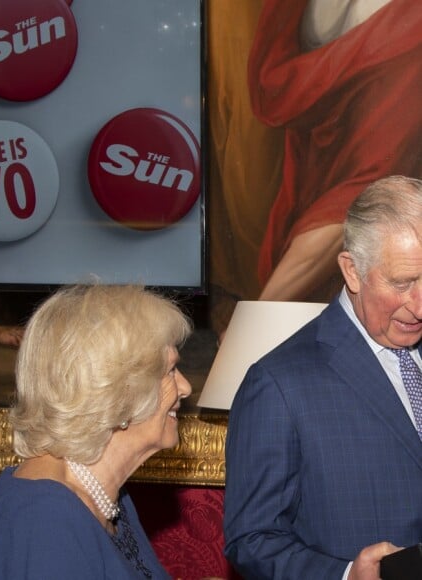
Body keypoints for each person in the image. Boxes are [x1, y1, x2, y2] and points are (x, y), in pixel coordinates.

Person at [224, 175, 422, 579]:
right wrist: (345, 575)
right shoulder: (278, 384)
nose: (420, 305)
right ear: (351, 270)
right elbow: (251, 538)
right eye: (402, 283)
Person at [0, 283, 193, 579]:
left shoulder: (108, 500)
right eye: (170, 371)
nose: (185, 387)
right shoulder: (45, 520)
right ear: (120, 391)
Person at [247, 0, 422, 302]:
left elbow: (361, 194)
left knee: (360, 196)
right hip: (322, 118)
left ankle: (263, 313)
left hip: (392, 61)